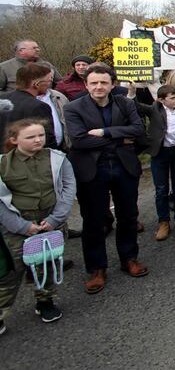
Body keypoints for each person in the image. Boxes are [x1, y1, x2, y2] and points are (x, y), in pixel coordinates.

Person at [64, 65, 148, 293]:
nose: (99, 87)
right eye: (94, 83)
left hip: (124, 167)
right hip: (92, 170)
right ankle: (96, 268)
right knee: (93, 220)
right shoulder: (73, 108)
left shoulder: (125, 103)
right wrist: (121, 136)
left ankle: (129, 258)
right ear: (86, 85)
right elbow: (79, 141)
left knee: (128, 215)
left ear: (112, 84)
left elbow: (139, 130)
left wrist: (104, 132)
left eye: (103, 82)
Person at [0, 119, 76, 327]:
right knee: (11, 271)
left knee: (47, 263)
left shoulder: (57, 159)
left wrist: (55, 218)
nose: (38, 140)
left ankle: (45, 301)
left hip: (50, 220)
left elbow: (69, 188)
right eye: (31, 137)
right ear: (14, 140)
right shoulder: (3, 164)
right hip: (16, 224)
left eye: (41, 135)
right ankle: (2, 309)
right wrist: (22, 226)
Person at [133, 85, 175, 241]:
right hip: (160, 154)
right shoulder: (154, 110)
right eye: (172, 98)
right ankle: (163, 222)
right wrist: (132, 91)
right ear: (161, 100)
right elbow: (135, 106)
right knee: (161, 189)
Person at [0, 63, 58, 149]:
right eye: (49, 81)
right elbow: (47, 140)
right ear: (37, 84)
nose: (49, 85)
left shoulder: (2, 99)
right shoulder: (39, 106)